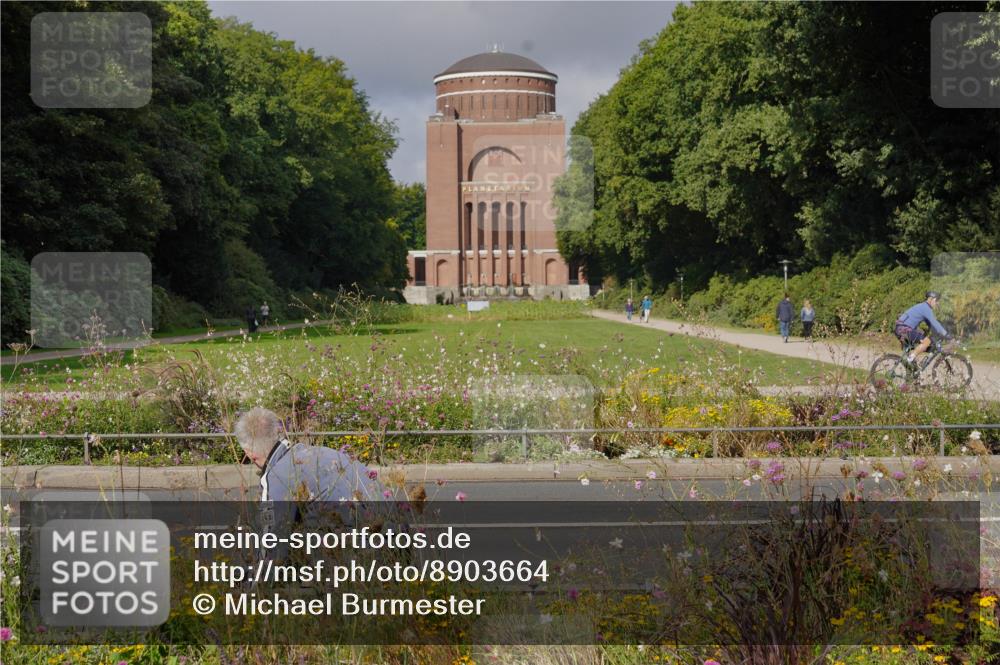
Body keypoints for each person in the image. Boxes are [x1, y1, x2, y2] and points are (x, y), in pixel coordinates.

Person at [235, 407, 385, 533]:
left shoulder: (276, 478)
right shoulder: (321, 452)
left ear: (250, 454)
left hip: (367, 546)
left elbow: (272, 545)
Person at [894, 291, 950, 367]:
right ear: (930, 299)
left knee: (924, 343)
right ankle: (909, 359)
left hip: (901, 328)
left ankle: (911, 369)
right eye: (936, 300)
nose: (937, 303)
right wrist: (946, 334)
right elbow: (935, 323)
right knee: (926, 341)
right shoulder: (926, 308)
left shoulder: (923, 307)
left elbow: (931, 325)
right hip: (904, 329)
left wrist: (937, 333)